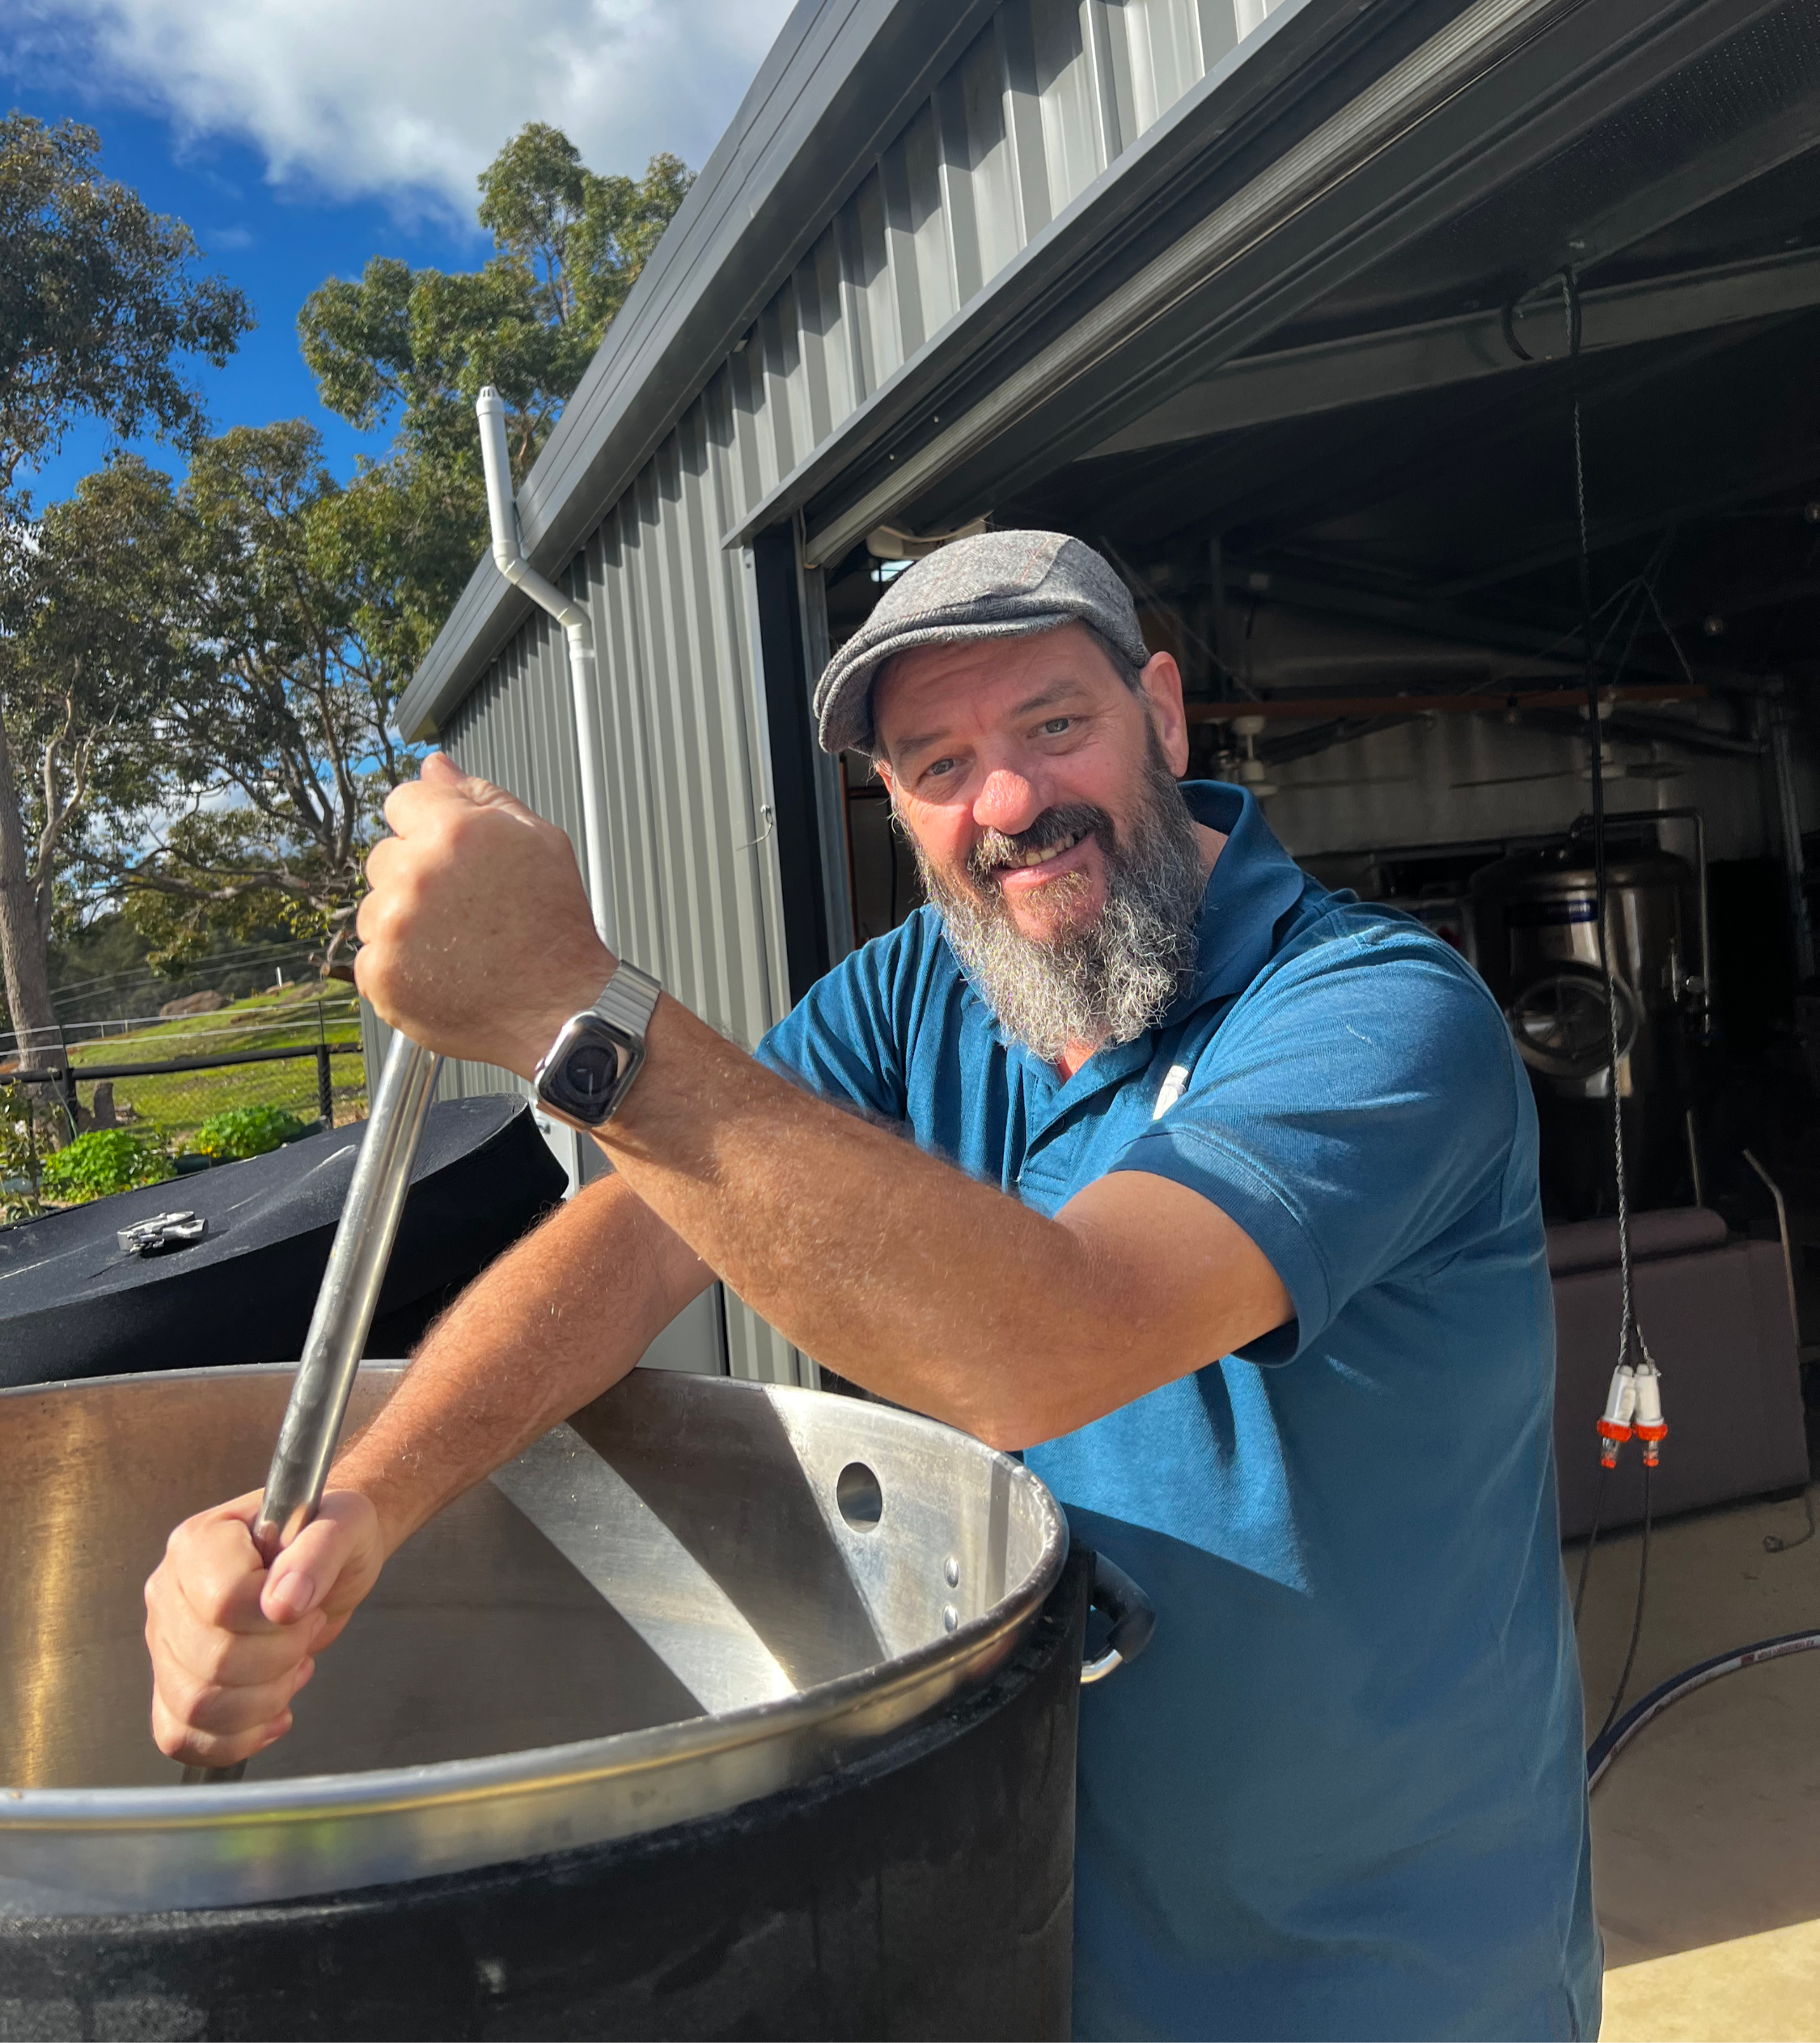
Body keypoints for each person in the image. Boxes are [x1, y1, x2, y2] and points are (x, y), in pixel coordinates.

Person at [144, 532, 1600, 2041]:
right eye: (938, 762)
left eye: (1053, 724)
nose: (1011, 803)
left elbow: (1055, 1341)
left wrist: (571, 1006)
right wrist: (362, 1509)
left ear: (1161, 715)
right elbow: (647, 1227)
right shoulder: (928, 984)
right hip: (1034, 1922)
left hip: (1381, 1968)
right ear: (892, 803)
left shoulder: (1373, 1013)